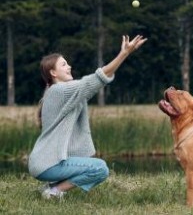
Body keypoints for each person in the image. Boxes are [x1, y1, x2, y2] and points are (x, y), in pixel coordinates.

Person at [28, 35, 147, 199]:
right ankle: (54, 192)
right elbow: (96, 80)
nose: (69, 67)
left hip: (43, 164)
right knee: (100, 169)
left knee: (92, 166)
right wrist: (124, 53)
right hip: (46, 165)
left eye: (68, 63)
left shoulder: (56, 93)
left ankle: (52, 187)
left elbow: (89, 86)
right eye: (64, 64)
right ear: (53, 73)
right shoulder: (59, 91)